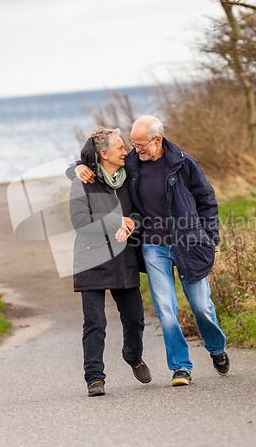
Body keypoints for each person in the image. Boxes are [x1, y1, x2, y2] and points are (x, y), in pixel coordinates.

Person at [75, 116, 230, 387]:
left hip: (189, 243)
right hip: (153, 246)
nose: (135, 150)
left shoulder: (184, 164)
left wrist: (210, 237)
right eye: (131, 145)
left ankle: (216, 348)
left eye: (140, 144)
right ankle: (181, 367)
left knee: (202, 307)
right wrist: (77, 166)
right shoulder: (132, 165)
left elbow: (207, 200)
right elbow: (97, 161)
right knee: (166, 310)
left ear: (157, 140)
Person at [66, 126, 151, 397]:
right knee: (95, 323)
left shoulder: (129, 179)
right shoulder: (83, 181)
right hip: (91, 259)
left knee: (135, 319)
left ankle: (133, 356)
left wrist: (131, 225)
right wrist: (117, 220)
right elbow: (81, 223)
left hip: (122, 259)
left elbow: (139, 214)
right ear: (104, 154)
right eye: (119, 148)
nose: (125, 152)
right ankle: (94, 378)